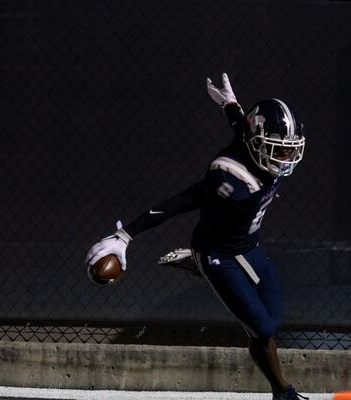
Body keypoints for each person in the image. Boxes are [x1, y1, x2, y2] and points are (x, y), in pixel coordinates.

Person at [86, 73, 307, 400]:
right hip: (219, 252)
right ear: (257, 143)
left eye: (288, 150)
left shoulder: (253, 142)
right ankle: (283, 393)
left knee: (274, 321)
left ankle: (198, 264)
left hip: (249, 246)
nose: (284, 159)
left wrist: (231, 106)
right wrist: (125, 234)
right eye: (278, 150)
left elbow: (242, 128)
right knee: (263, 329)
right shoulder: (230, 175)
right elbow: (185, 200)